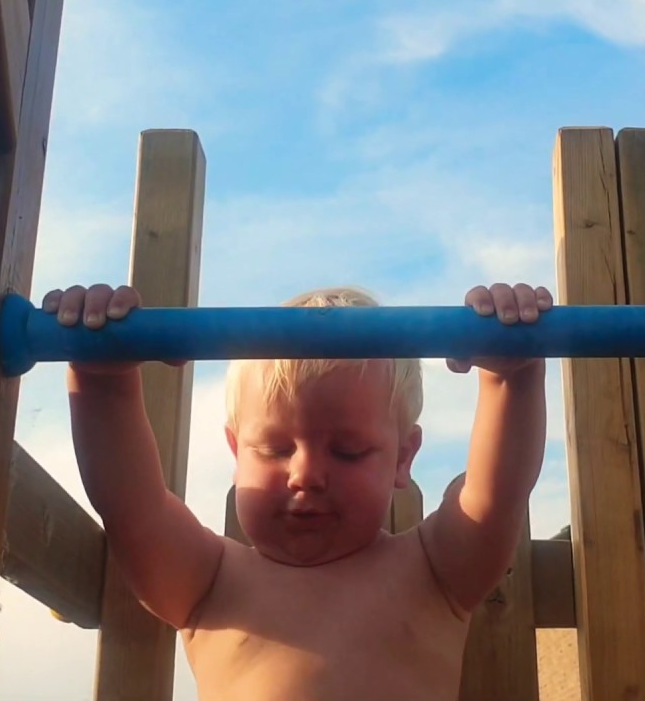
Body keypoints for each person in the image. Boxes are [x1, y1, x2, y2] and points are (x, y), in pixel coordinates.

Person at [46, 280, 552, 700]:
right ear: (235, 451)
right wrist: (100, 381)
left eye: (348, 450)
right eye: (274, 448)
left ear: (403, 457)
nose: (305, 474)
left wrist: (512, 377)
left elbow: (498, 491)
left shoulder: (433, 571)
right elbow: (131, 506)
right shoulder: (208, 583)